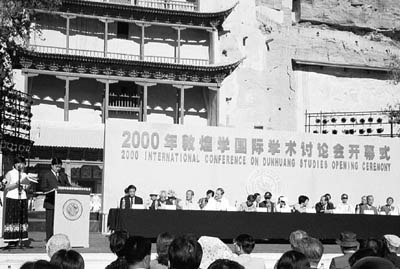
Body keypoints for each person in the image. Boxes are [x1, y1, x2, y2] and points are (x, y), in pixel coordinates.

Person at [2, 156, 33, 244]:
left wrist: (28, 184)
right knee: (12, 218)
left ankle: (21, 238)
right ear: (15, 164)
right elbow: (6, 187)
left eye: (23, 163)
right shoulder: (10, 173)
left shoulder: (24, 174)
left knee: (21, 218)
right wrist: (17, 183)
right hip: (12, 197)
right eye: (19, 163)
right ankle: (11, 239)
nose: (21, 165)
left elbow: (26, 188)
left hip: (22, 197)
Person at [40, 157, 71, 241]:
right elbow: (43, 188)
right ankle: (49, 240)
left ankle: (60, 240)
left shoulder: (63, 175)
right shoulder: (46, 175)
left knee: (60, 223)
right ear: (52, 166)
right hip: (50, 203)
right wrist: (52, 191)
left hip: (61, 203)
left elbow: (68, 186)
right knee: (50, 224)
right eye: (56, 166)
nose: (58, 168)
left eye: (60, 167)